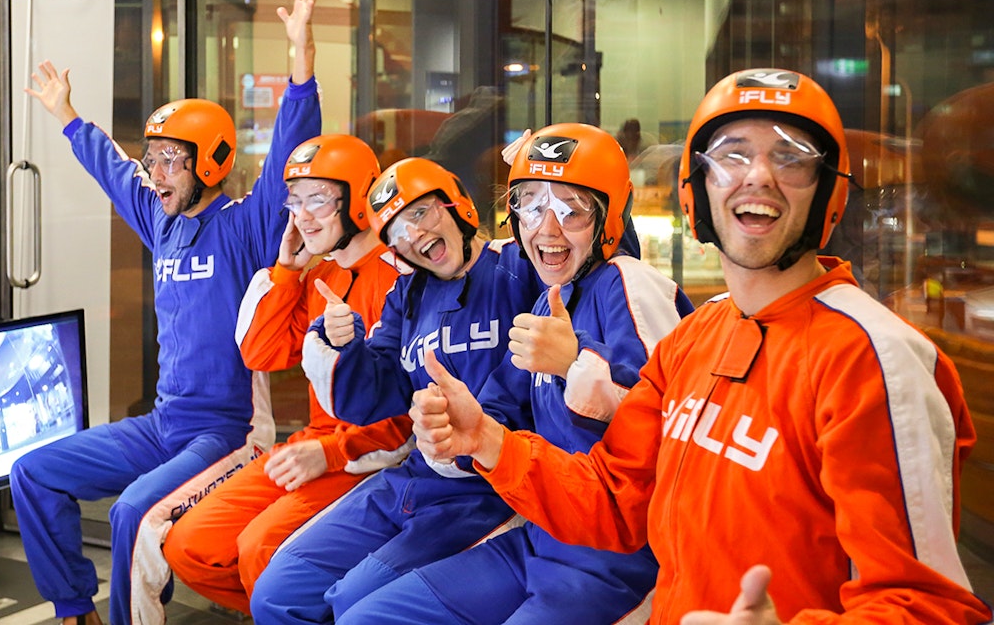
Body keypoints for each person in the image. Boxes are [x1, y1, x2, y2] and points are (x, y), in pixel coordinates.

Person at [410, 69, 994, 624]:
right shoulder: (693, 341)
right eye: (732, 154)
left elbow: (927, 604)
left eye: (790, 157)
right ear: (695, 193)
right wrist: (488, 441)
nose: (758, 175)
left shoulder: (877, 359)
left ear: (828, 194)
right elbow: (615, 502)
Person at [9, 0, 322, 625]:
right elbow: (110, 167)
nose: (154, 174)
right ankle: (75, 611)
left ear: (209, 163)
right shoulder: (161, 220)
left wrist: (302, 63)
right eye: (152, 161)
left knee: (129, 514)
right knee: (34, 474)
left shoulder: (246, 225)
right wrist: (66, 114)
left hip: (229, 430)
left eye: (169, 162)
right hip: (165, 423)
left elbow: (292, 151)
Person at [338, 123, 694, 624]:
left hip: (617, 558)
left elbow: (671, 426)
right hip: (540, 532)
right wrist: (459, 433)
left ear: (609, 216)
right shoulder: (546, 300)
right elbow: (500, 404)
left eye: (570, 208)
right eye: (528, 204)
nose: (546, 229)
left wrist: (574, 363)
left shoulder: (628, 282)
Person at [249, 157, 544, 624]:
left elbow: (592, 264)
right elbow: (374, 395)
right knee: (277, 590)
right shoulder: (406, 296)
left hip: (485, 491)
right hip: (410, 481)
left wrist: (538, 189)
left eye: (420, 213)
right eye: (396, 231)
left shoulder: (519, 267)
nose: (412, 234)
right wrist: (343, 346)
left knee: (353, 603)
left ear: (458, 205)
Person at [161, 134, 412, 616]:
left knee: (261, 551)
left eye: (318, 198)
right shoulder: (320, 273)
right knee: (190, 545)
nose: (302, 215)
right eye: (294, 201)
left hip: (372, 457)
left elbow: (410, 410)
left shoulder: (399, 275)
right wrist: (285, 271)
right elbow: (261, 352)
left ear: (358, 198)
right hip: (316, 444)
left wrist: (333, 452)